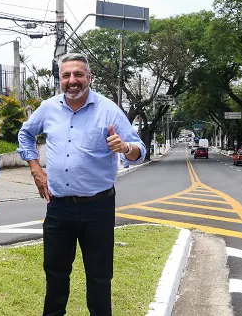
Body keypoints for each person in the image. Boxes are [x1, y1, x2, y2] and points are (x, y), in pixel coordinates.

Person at [17, 52, 146, 316]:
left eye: (78, 74)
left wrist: (125, 147)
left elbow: (140, 150)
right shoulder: (48, 108)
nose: (72, 80)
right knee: (55, 275)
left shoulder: (109, 110)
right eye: (66, 75)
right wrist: (35, 170)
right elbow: (26, 134)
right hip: (58, 207)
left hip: (97, 207)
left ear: (89, 77)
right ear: (60, 79)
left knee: (99, 277)